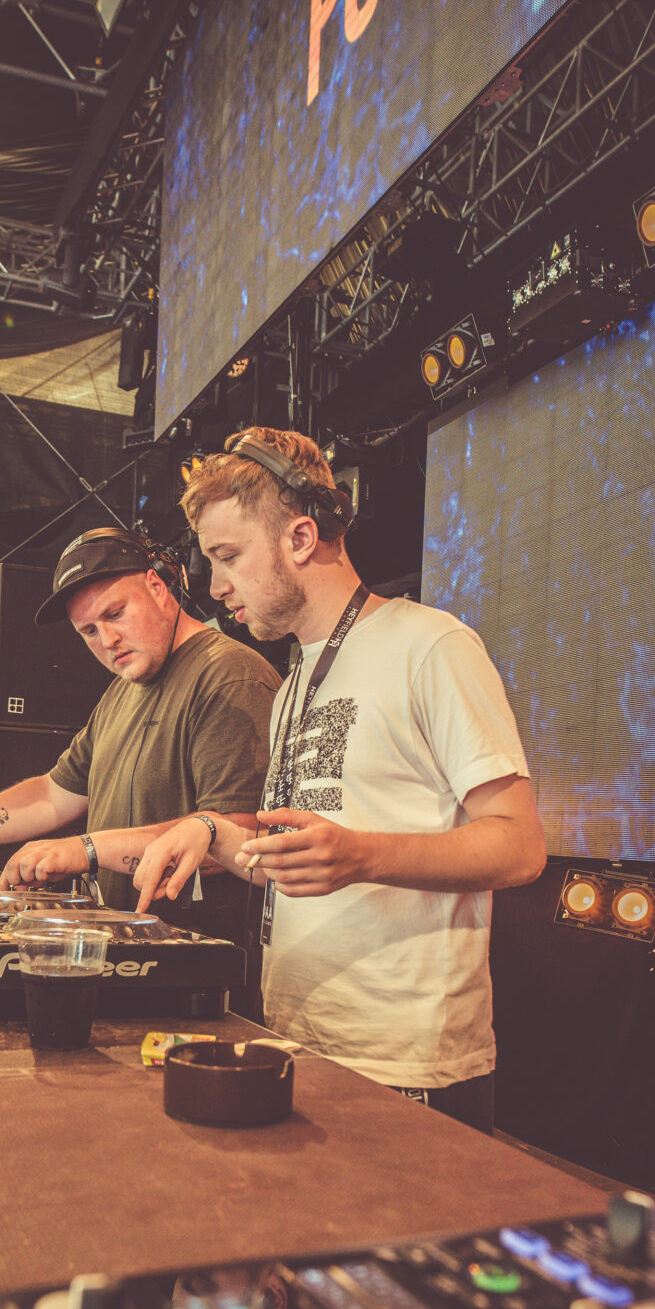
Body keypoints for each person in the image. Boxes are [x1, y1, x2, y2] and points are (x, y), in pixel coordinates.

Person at [132, 429, 546, 1133]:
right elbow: (304, 859)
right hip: (299, 1041)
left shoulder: (431, 645)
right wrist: (212, 834)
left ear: (300, 538)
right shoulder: (295, 679)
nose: (215, 586)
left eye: (227, 556)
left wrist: (361, 855)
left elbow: (520, 846)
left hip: (406, 1067)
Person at [0, 526, 280, 940]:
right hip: (130, 954)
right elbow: (53, 794)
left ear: (156, 586)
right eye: (88, 631)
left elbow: (233, 839)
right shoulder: (120, 693)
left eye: (115, 613)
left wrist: (85, 850)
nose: (107, 639)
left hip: (201, 965)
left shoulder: (229, 675)